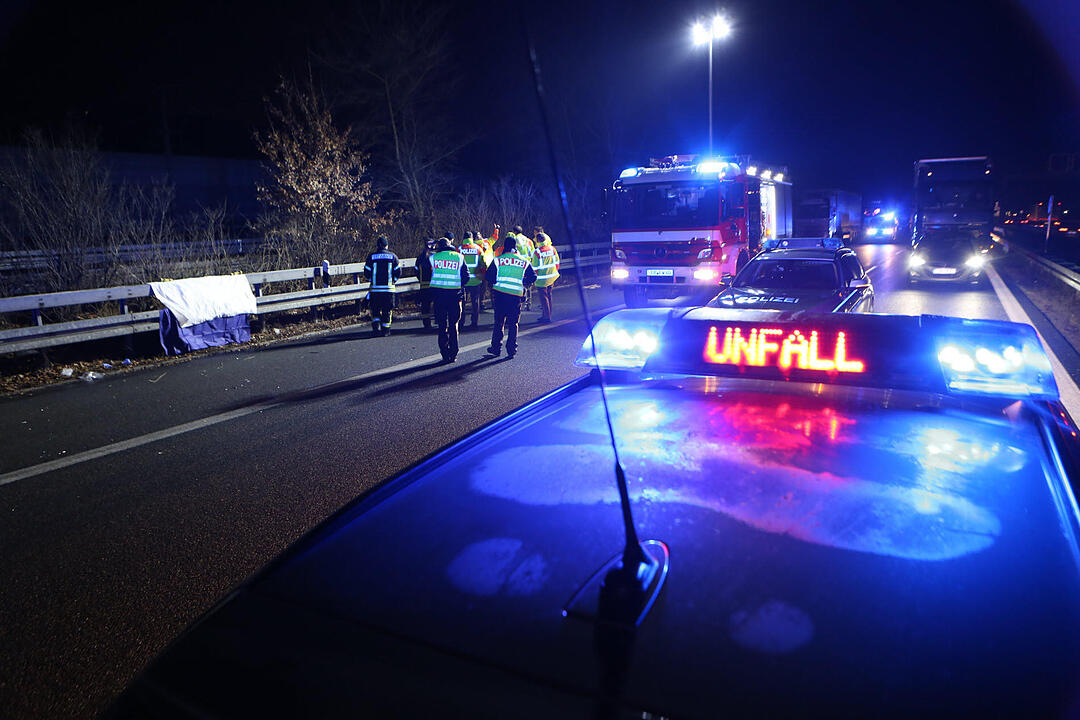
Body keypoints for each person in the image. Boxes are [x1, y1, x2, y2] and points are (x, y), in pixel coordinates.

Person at [485, 235, 536, 359]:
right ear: (515, 247)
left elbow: (489, 276)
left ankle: (496, 348)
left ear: (505, 246)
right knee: (513, 323)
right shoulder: (523, 261)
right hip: (515, 296)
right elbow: (533, 276)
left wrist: (495, 283)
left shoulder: (498, 260)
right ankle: (511, 349)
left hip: (500, 295)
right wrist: (524, 283)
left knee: (499, 322)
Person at [429, 236, 471, 363]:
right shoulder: (459, 257)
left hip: (439, 296)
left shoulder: (433, 258)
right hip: (455, 296)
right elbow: (466, 276)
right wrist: (458, 285)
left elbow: (425, 275)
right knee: (454, 325)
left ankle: (444, 353)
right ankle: (453, 353)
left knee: (442, 326)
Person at [363, 235, 401, 336]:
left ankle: (376, 328)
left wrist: (372, 281)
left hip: (375, 290)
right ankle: (386, 330)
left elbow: (366, 272)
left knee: (375, 310)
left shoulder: (371, 257)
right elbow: (398, 272)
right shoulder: (393, 257)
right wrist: (393, 281)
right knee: (387, 310)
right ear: (386, 246)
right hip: (388, 290)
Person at [458, 231, 487, 330]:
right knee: (475, 301)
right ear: (472, 238)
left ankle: (461, 321)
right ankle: (474, 322)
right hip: (476, 280)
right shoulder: (478, 249)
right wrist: (482, 274)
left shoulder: (460, 249)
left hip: (463, 280)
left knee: (462, 302)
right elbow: (483, 263)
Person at [531, 231, 560, 323]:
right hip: (551, 277)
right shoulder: (552, 249)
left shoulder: (537, 252)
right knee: (549, 296)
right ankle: (548, 314)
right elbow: (557, 262)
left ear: (538, 240)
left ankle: (546, 317)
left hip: (542, 279)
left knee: (544, 298)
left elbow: (534, 268)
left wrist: (533, 278)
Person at [416, 237, 437, 329]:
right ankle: (439, 320)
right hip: (435, 285)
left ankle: (426, 324)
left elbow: (416, 271)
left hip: (423, 285)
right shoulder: (436, 257)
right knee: (437, 303)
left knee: (425, 306)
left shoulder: (420, 257)